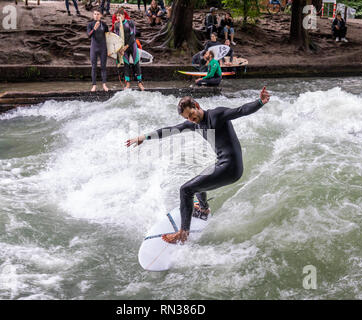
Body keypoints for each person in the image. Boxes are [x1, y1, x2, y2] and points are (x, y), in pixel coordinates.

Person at [126, 88, 271, 243]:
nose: (191, 119)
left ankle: (183, 233)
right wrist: (143, 137)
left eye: (191, 114)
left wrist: (260, 102)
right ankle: (203, 209)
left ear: (196, 105)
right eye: (187, 117)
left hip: (231, 167)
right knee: (198, 181)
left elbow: (241, 110)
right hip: (223, 163)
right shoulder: (194, 124)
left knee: (186, 190)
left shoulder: (216, 115)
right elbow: (169, 131)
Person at [114, 8, 145, 91]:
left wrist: (126, 46)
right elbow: (116, 38)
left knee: (136, 63)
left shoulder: (130, 23)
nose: (118, 17)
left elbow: (133, 36)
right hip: (123, 48)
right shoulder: (116, 25)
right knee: (126, 65)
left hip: (132, 46)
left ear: (123, 16)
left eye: (119, 15)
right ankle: (127, 82)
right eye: (117, 16)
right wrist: (120, 49)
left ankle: (140, 82)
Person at [87, 10, 109, 92]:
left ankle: (104, 84)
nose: (96, 15)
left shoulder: (104, 25)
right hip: (94, 48)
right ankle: (94, 85)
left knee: (103, 67)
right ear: (93, 15)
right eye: (95, 14)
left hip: (103, 48)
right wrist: (94, 29)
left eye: (98, 14)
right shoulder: (90, 24)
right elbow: (89, 35)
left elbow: (108, 36)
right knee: (94, 67)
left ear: (101, 15)